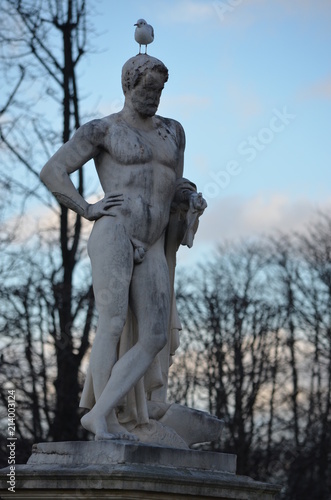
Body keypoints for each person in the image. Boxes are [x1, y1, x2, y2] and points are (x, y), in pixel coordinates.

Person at [40, 54, 207, 442]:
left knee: (154, 335)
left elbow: (173, 183)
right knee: (112, 324)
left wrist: (190, 196)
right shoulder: (102, 130)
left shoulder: (174, 132)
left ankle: (99, 411)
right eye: (148, 89)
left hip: (152, 241)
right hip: (115, 230)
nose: (155, 97)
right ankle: (105, 420)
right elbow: (53, 171)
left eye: (160, 90)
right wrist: (86, 208)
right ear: (128, 85)